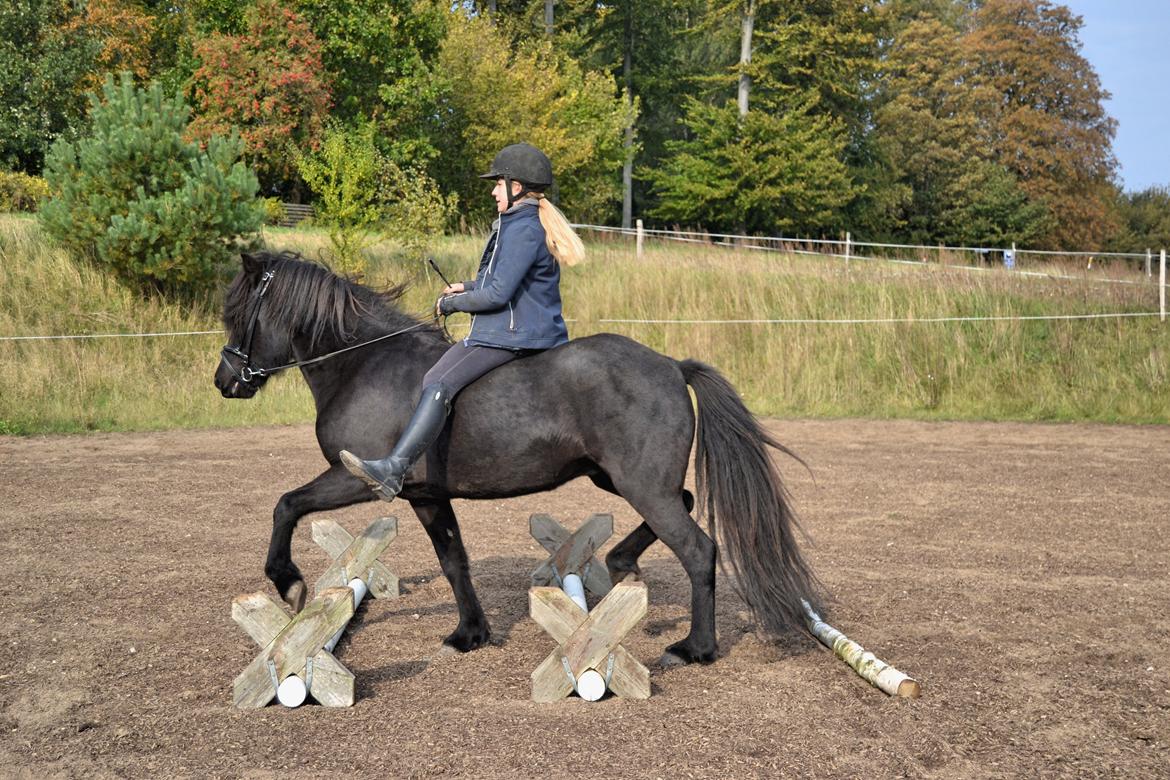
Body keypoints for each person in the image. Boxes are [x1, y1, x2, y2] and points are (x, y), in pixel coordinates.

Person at [339, 143, 585, 502]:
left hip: (514, 334)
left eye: (498, 184)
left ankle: (395, 469)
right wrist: (466, 286)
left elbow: (499, 295)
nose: (493, 190)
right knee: (435, 376)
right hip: (514, 328)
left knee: (438, 379)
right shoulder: (519, 223)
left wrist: (453, 303)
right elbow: (503, 282)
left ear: (517, 187)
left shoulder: (523, 229)